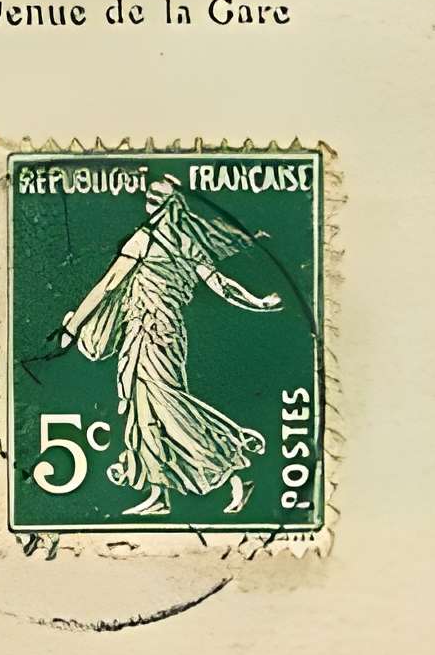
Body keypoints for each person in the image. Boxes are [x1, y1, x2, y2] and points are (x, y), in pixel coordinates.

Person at [58, 174, 282, 520]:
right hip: (146, 332)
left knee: (168, 405)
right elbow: (221, 285)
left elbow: (108, 285)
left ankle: (235, 465)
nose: (149, 208)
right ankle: (159, 493)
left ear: (170, 206)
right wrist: (258, 302)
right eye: (148, 201)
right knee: (142, 410)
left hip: (154, 334)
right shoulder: (188, 245)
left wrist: (73, 326)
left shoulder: (144, 240)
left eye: (156, 202)